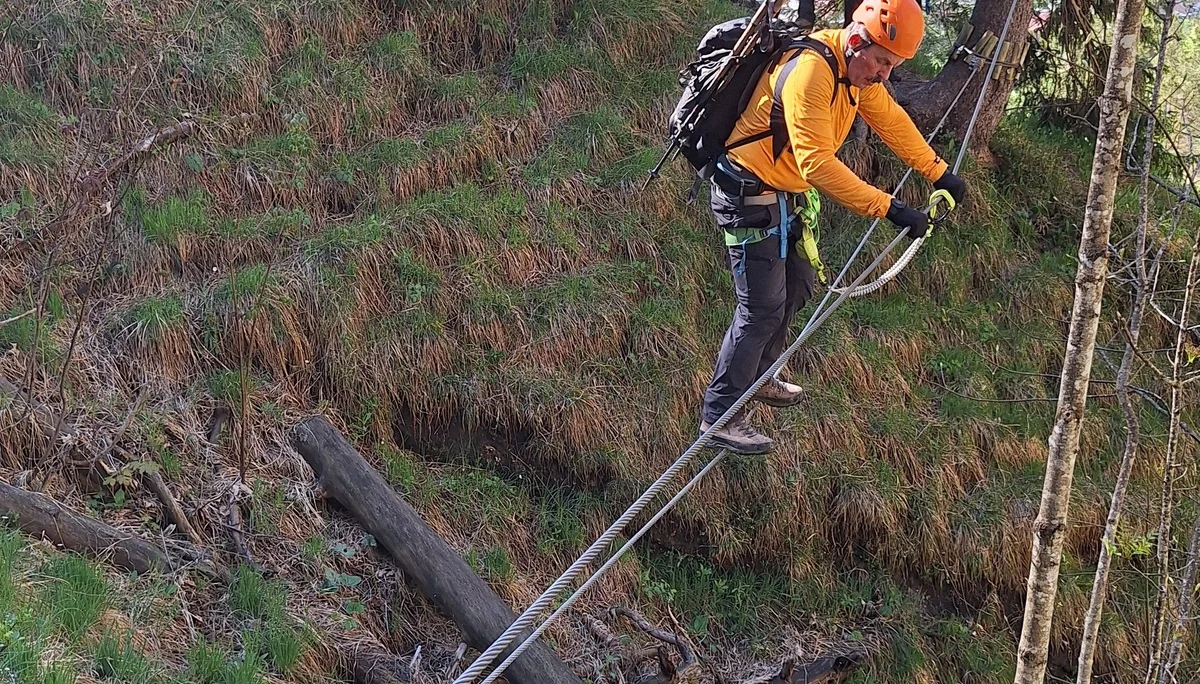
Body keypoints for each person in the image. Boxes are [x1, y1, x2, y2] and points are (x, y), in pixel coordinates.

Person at [699, 0, 967, 454]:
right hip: (747, 194)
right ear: (857, 40)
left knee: (800, 285)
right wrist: (891, 208)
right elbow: (818, 164)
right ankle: (720, 416)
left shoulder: (855, 75)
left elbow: (892, 121)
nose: (885, 74)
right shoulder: (812, 72)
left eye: (893, 65)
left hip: (782, 192)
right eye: (882, 62)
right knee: (761, 308)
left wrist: (938, 173)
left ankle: (758, 376)